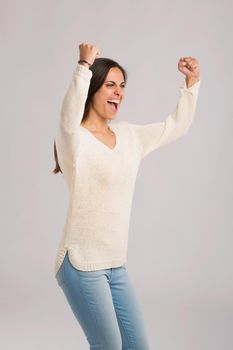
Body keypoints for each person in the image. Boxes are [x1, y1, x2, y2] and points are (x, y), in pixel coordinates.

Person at [52, 42, 201, 349]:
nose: (118, 92)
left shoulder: (130, 136)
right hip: (81, 263)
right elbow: (67, 119)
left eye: (122, 86)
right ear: (92, 89)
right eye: (109, 85)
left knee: (137, 346)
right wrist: (82, 67)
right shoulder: (75, 141)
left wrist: (191, 85)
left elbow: (176, 127)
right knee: (108, 346)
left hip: (115, 265)